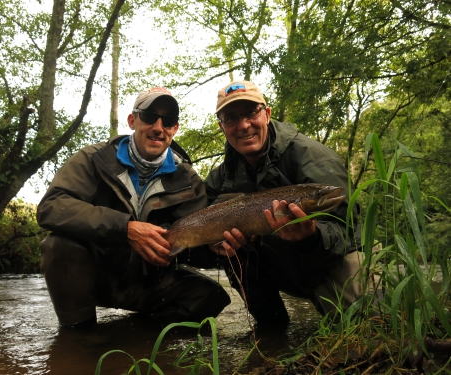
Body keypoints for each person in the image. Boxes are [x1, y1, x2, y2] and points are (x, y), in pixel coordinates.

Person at [37, 87, 230, 328]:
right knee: (58, 246)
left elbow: (195, 249)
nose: (158, 127)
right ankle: (79, 339)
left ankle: (134, 339)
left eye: (168, 120)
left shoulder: (187, 179)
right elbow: (52, 207)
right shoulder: (93, 159)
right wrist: (125, 228)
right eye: (149, 116)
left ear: (175, 128)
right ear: (132, 120)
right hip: (95, 277)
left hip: (150, 283)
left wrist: (216, 249)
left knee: (211, 295)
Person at [205, 80, 364, 329]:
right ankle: (272, 330)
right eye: (231, 118)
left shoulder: (312, 157)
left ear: (266, 115)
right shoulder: (219, 179)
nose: (244, 125)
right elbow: (198, 235)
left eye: (251, 113)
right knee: (237, 254)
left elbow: (347, 231)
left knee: (371, 330)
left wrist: (312, 237)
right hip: (279, 262)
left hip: (331, 260)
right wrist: (216, 247)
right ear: (222, 126)